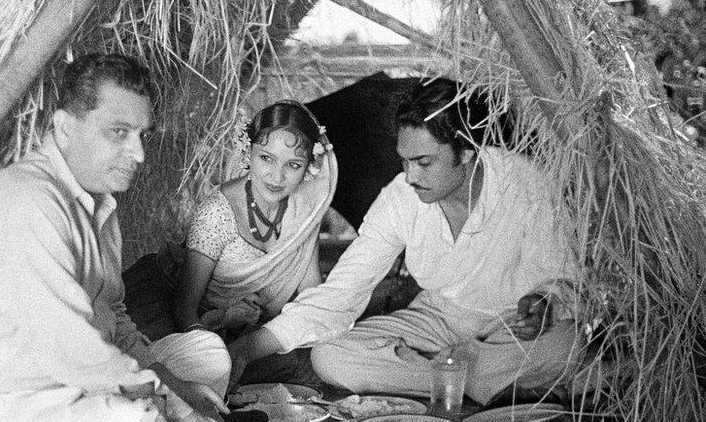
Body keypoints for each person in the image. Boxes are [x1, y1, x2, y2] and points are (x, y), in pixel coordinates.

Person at [0, 53, 268, 422]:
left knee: (205, 355)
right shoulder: (26, 204)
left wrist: (175, 389)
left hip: (72, 389)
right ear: (64, 129)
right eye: (118, 133)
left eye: (142, 135)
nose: (138, 154)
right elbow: (77, 351)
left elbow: (115, 321)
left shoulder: (97, 205)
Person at [228, 78, 578, 405]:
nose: (410, 176)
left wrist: (543, 304)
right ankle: (474, 382)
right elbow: (341, 292)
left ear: (467, 151)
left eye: (424, 162)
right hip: (436, 319)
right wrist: (246, 348)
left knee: (570, 346)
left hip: (510, 329)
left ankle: (454, 376)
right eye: (405, 161)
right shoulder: (400, 198)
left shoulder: (528, 185)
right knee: (330, 355)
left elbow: (569, 281)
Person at [172, 101, 337, 383]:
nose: (277, 176)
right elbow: (183, 308)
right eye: (266, 158)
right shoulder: (217, 213)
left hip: (263, 340)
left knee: (321, 365)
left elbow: (311, 294)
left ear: (309, 166)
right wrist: (222, 324)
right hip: (204, 336)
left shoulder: (304, 212)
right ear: (248, 152)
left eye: (293, 165)